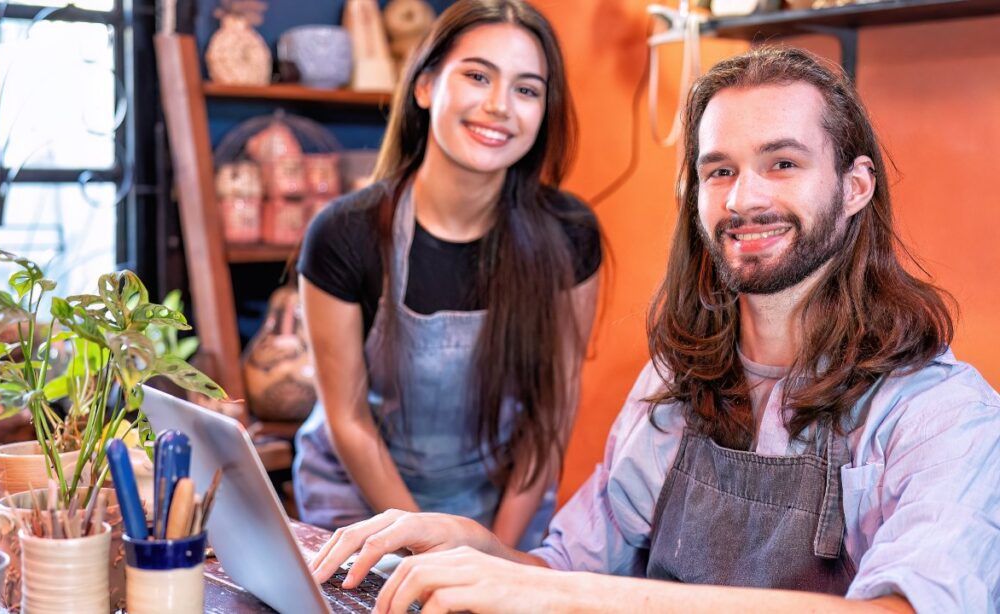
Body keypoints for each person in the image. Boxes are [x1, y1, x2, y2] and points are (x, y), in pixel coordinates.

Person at [308, 46, 1000, 613]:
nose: (744, 198)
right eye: (718, 170)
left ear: (855, 188)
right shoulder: (674, 388)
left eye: (782, 163)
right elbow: (565, 571)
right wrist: (474, 546)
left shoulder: (941, 414)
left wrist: (563, 592)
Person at [293, 0, 601, 552]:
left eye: (527, 90)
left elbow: (551, 416)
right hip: (359, 507)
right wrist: (427, 546)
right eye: (477, 76)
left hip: (500, 513)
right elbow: (349, 422)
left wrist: (490, 554)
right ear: (426, 86)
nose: (499, 105)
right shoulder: (344, 235)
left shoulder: (570, 237)